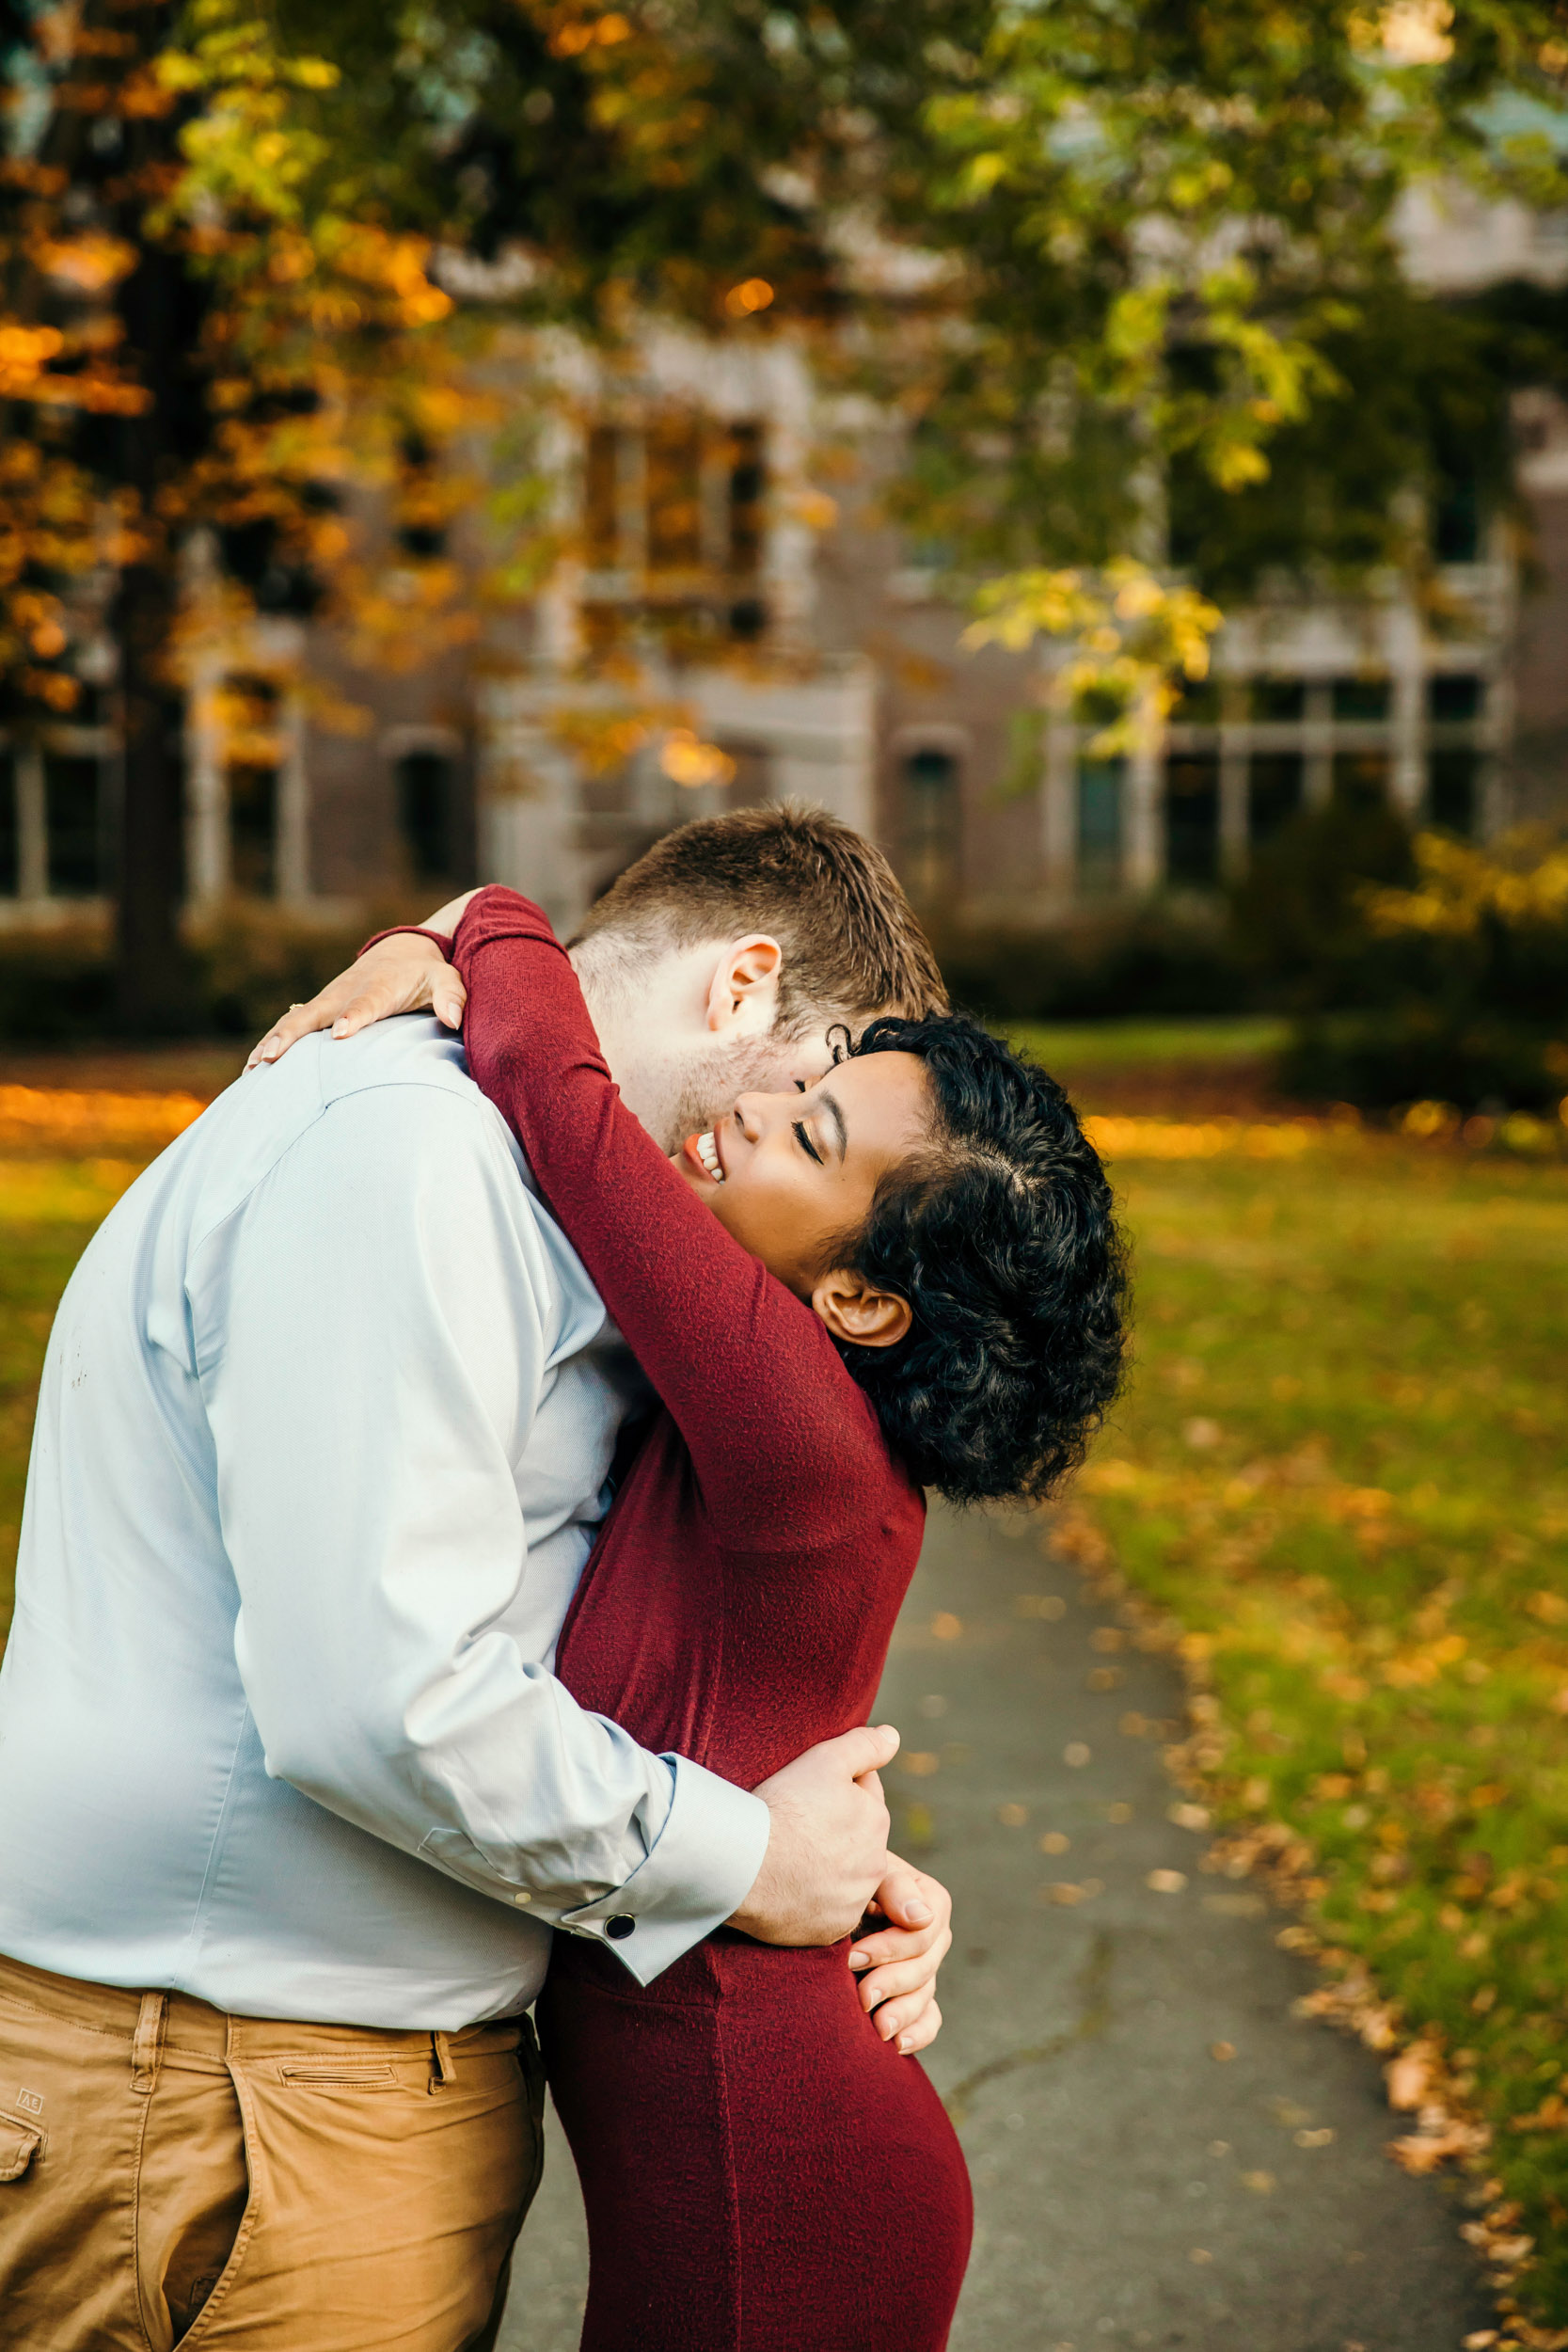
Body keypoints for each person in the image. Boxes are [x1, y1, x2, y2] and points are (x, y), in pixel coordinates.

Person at [0, 808, 957, 2352]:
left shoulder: (527, 1197)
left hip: (283, 2102)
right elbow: (377, 1697)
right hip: (226, 2108)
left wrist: (835, 1864)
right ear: (742, 993)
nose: (798, 1139)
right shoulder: (418, 1157)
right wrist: (740, 1858)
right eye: (820, 1085)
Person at [307, 880, 1128, 2351]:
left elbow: (563, 1104)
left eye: (812, 1135)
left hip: (775, 2183)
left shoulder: (801, 1427)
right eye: (811, 1083)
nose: (758, 1108)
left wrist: (482, 918)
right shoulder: (796, 1432)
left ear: (866, 1305)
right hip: (757, 2140)